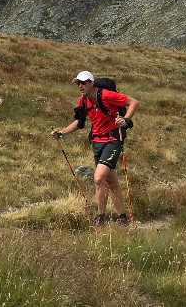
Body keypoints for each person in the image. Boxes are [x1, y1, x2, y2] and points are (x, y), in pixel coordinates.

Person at [51, 70, 139, 227]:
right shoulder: (83, 101)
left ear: (91, 83)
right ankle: (123, 219)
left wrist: (125, 120)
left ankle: (100, 219)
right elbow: (79, 123)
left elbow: (134, 102)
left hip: (113, 140)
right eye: (78, 83)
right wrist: (61, 133)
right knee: (111, 181)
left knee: (98, 178)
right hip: (96, 143)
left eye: (83, 83)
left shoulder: (106, 95)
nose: (80, 86)